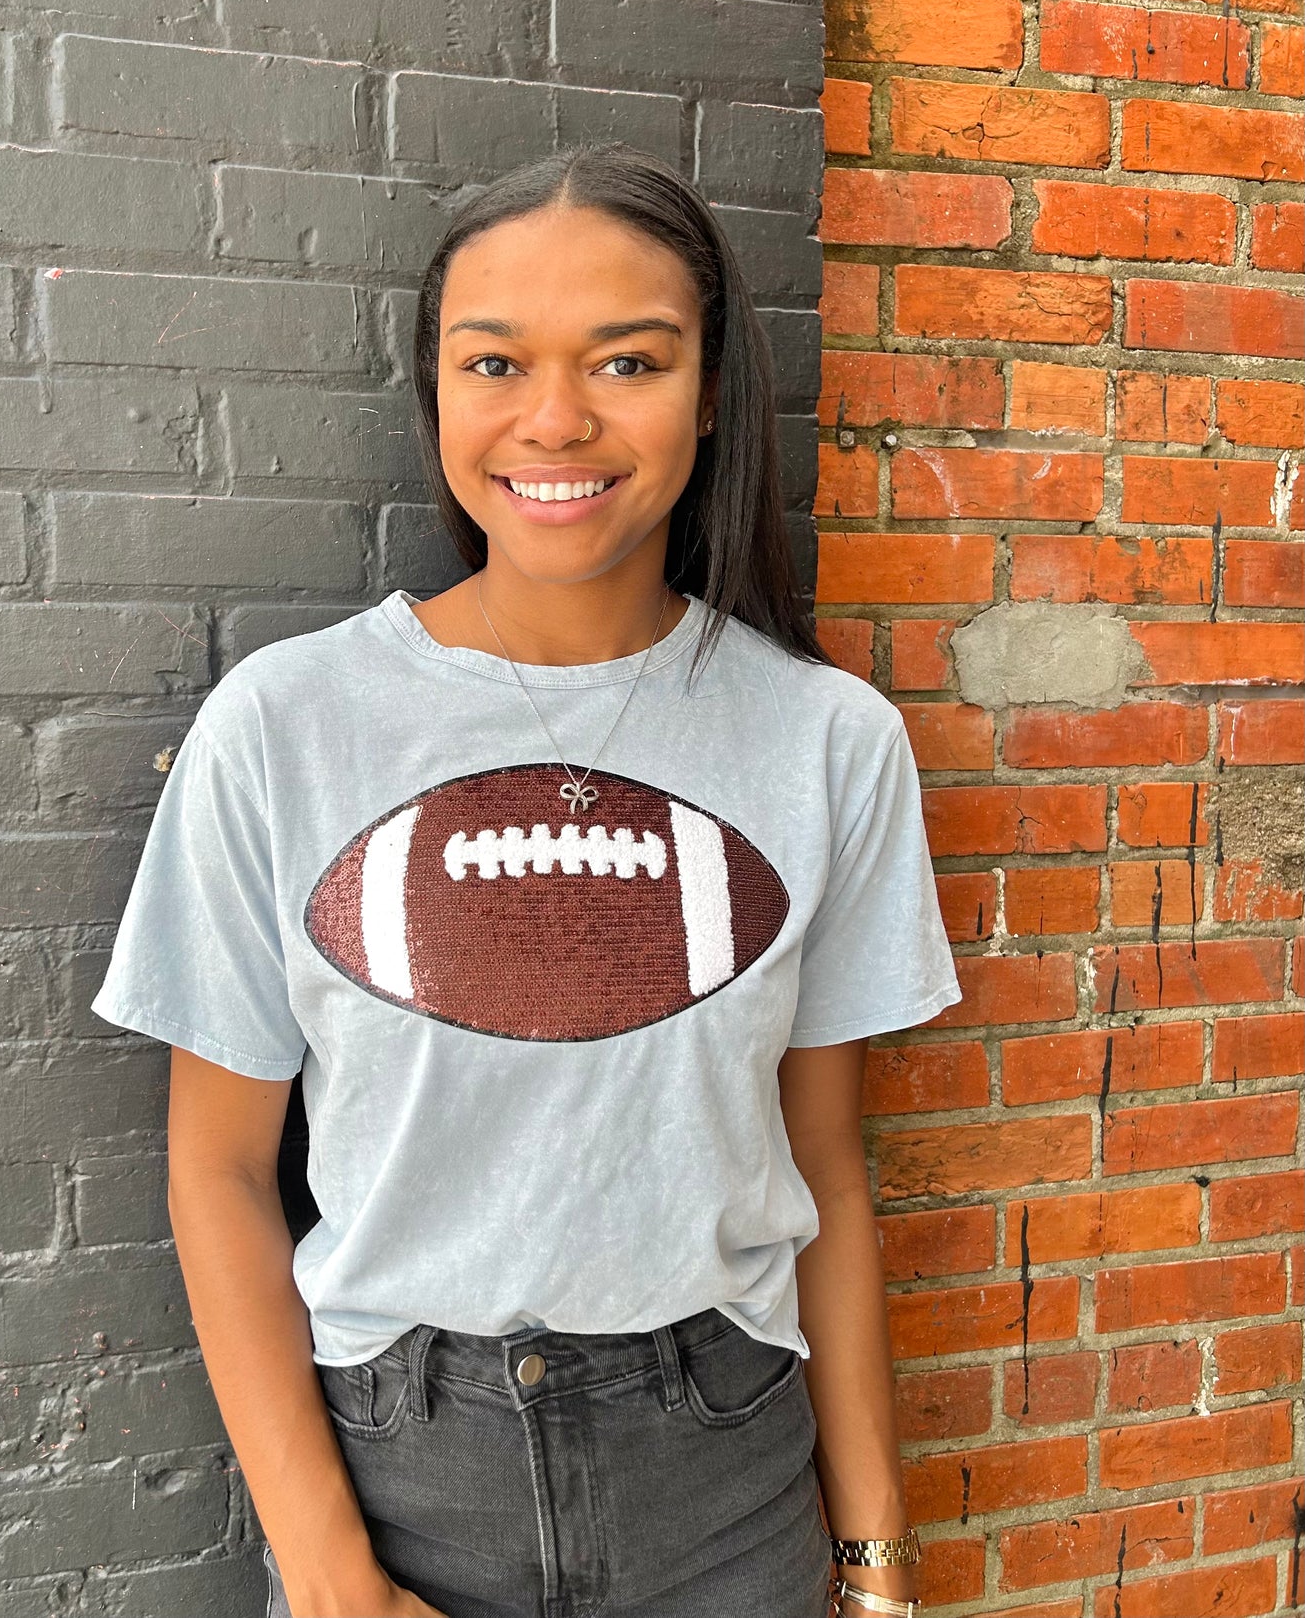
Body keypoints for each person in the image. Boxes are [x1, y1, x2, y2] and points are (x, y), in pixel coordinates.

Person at [93, 140, 961, 1618]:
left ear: (710, 388)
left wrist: (872, 1559)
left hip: (727, 1478)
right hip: (403, 1474)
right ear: (436, 385)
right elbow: (220, 1169)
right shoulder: (285, 724)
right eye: (493, 362)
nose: (553, 419)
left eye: (626, 360)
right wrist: (333, 1581)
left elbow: (824, 1168)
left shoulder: (827, 742)